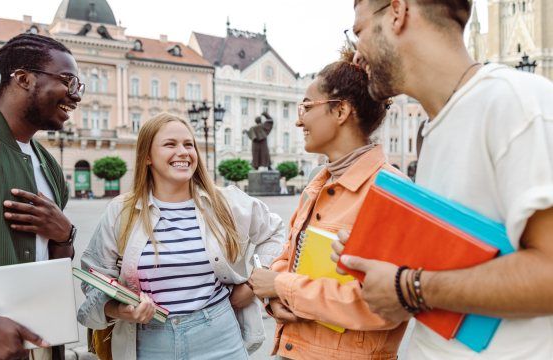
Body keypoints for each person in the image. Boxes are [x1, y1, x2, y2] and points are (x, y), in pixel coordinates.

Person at [333, 1, 553, 359]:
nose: (356, 55)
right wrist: (384, 268)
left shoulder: (516, 102)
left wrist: (408, 287)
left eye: (357, 32)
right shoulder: (435, 128)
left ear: (398, 13)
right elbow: (464, 276)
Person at [77, 112, 284, 359]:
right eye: (170, 144)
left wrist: (253, 284)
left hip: (219, 337)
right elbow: (93, 279)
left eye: (189, 144)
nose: (184, 152)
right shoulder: (122, 211)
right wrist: (122, 310)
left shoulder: (224, 201)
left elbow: (275, 232)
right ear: (147, 157)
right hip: (149, 343)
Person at [248, 50, 407, 360]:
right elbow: (288, 258)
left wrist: (282, 286)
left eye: (307, 106)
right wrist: (274, 298)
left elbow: (382, 307)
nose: (298, 119)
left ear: (341, 111)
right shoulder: (317, 184)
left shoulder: (391, 193)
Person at [0, 33, 82, 359]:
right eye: (69, 81)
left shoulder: (50, 166)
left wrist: (65, 236)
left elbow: (55, 268)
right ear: (23, 79)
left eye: (80, 86)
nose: (76, 96)